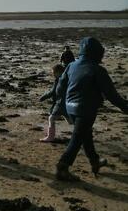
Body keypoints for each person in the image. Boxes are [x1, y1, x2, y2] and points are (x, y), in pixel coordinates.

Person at [55, 37, 128, 181]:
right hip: (86, 110)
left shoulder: (71, 66)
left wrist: (64, 104)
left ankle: (95, 162)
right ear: (98, 53)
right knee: (77, 138)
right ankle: (62, 167)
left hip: (71, 109)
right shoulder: (97, 69)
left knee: (85, 135)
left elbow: (59, 89)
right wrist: (125, 107)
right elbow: (111, 95)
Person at [39, 64, 70, 142]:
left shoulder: (61, 80)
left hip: (61, 103)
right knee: (71, 121)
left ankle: (50, 137)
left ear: (59, 72)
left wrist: (43, 97)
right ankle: (85, 133)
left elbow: (52, 91)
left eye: (53, 73)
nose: (52, 74)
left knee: (51, 118)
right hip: (67, 103)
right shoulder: (66, 78)